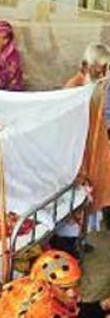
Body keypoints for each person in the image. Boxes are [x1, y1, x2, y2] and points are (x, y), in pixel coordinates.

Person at [65, 43, 110, 212]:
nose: (102, 75)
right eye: (98, 70)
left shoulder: (97, 85)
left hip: (96, 154)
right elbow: (70, 134)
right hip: (81, 158)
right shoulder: (74, 88)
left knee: (93, 204)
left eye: (105, 69)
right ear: (85, 66)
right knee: (78, 208)